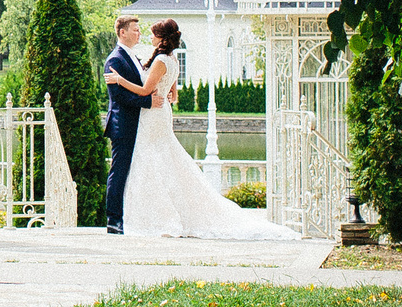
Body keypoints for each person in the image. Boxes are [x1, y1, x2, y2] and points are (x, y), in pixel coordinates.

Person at [110, 18, 300, 242]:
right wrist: (168, 95)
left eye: (152, 34)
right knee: (162, 158)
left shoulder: (161, 60)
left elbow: (144, 90)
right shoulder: (171, 59)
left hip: (153, 114)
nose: (148, 37)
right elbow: (175, 93)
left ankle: (154, 216)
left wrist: (120, 80)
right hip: (161, 114)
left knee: (152, 159)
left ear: (161, 37)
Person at [101, 14, 149, 233]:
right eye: (135, 30)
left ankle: (130, 215)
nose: (139, 33)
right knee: (119, 171)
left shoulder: (133, 57)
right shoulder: (115, 60)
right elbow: (120, 97)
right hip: (123, 125)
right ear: (122, 32)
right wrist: (149, 101)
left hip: (139, 125)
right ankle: (113, 219)